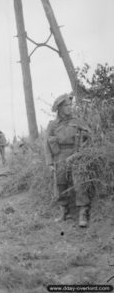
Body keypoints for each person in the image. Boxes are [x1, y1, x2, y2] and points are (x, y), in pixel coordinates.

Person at [45, 93, 92, 227]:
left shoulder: (77, 121)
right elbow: (46, 145)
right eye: (66, 105)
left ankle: (83, 212)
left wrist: (82, 147)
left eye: (70, 105)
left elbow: (90, 135)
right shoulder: (53, 125)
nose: (69, 107)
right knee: (60, 183)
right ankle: (64, 211)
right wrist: (49, 163)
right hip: (59, 155)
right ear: (59, 108)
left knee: (79, 182)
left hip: (76, 154)